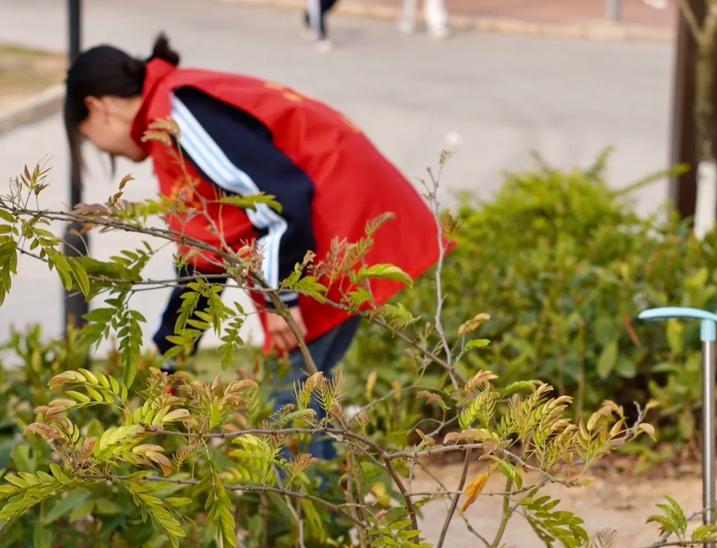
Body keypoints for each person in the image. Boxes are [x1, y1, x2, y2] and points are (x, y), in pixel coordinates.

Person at [64, 35, 445, 458]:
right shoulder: (168, 116)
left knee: (290, 413)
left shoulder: (177, 114)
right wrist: (170, 361)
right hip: (325, 232)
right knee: (302, 402)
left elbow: (279, 196)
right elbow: (205, 258)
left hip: (334, 231)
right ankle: (326, 495)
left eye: (89, 138)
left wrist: (281, 296)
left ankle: (308, 498)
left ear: (99, 107)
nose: (103, 149)